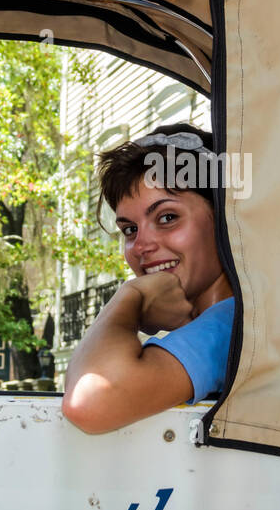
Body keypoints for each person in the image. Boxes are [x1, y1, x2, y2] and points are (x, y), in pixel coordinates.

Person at [62, 124, 236, 434]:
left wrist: (130, 296)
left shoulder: (230, 324)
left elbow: (89, 402)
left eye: (167, 218)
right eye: (130, 229)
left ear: (225, 221)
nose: (141, 246)